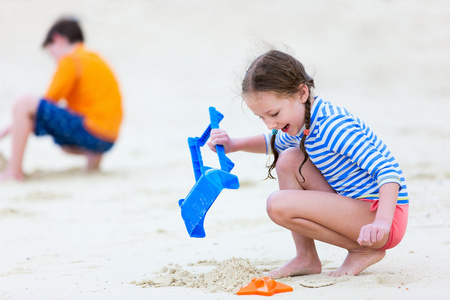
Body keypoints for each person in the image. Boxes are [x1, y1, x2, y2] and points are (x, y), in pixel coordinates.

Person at [208, 50, 409, 277]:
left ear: (302, 93)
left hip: (382, 217)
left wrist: (382, 223)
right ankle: (306, 257)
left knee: (278, 204)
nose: (269, 124)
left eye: (273, 113)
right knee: (289, 159)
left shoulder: (333, 126)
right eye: (262, 117)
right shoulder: (302, 121)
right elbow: (272, 142)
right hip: (354, 206)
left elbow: (388, 171)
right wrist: (233, 144)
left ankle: (361, 249)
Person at [0, 17, 122, 182]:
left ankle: (13, 172)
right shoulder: (95, 58)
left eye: (51, 51)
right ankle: (92, 164)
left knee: (24, 102)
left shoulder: (71, 59)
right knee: (69, 119)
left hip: (92, 132)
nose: (54, 59)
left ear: (58, 39)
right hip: (108, 140)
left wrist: (5, 131)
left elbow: (46, 102)